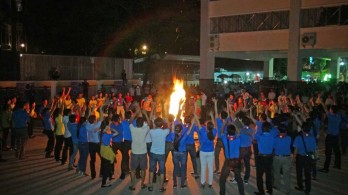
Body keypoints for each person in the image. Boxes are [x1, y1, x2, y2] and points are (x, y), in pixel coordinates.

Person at [219, 124, 245, 195]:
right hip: (236, 161)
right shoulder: (238, 138)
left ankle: (222, 193)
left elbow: (221, 132)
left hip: (228, 161)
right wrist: (234, 124)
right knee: (239, 179)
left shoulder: (225, 138)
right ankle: (242, 193)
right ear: (234, 131)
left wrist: (224, 124)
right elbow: (239, 132)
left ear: (227, 131)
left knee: (222, 179)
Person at [128, 109, 150, 191]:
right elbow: (149, 123)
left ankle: (133, 185)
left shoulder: (133, 129)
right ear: (143, 123)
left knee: (133, 170)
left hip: (134, 153)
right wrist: (145, 115)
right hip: (143, 153)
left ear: (136, 123)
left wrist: (135, 114)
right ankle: (142, 184)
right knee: (143, 169)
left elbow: (130, 122)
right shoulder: (145, 129)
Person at [293, 122, 317, 195]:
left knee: (299, 172)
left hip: (300, 157)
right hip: (309, 157)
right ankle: (308, 189)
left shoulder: (298, 138)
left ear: (302, 129)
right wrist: (315, 158)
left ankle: (300, 186)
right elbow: (314, 149)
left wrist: (294, 158)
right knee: (308, 174)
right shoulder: (312, 138)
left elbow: (296, 149)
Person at [319, 101, 341, 172]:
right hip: (336, 136)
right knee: (337, 151)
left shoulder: (330, 117)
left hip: (330, 137)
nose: (329, 110)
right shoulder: (338, 116)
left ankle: (326, 168)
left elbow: (325, 109)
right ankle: (338, 164)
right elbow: (335, 109)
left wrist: (322, 102)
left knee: (328, 153)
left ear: (331, 110)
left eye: (330, 109)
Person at [148, 117, 169, 192]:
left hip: (153, 152)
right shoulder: (165, 132)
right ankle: (161, 187)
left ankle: (150, 185)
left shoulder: (151, 131)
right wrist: (166, 121)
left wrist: (153, 122)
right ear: (162, 124)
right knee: (162, 171)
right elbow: (168, 127)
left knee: (151, 170)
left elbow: (152, 127)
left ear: (155, 124)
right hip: (161, 154)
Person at [195, 112, 216, 188]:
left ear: (206, 127)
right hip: (211, 152)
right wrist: (212, 116)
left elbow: (198, 123)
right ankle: (210, 183)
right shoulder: (213, 132)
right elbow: (214, 125)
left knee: (203, 168)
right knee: (210, 168)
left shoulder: (203, 132)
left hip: (203, 152)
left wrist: (195, 115)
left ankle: (203, 183)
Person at [172, 119, 195, 189]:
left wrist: (175, 121)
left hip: (175, 153)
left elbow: (173, 127)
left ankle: (175, 184)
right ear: (181, 131)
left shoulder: (173, 135)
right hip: (183, 154)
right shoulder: (184, 137)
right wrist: (193, 122)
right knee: (183, 168)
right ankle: (182, 184)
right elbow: (189, 130)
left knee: (175, 168)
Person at [254, 121, 275, 195]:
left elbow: (254, 136)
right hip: (269, 157)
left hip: (261, 157)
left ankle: (261, 192)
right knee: (268, 174)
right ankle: (270, 190)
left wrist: (258, 128)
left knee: (259, 176)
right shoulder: (272, 136)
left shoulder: (259, 136)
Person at [86, 105, 104, 179]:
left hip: (90, 144)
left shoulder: (88, 125)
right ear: (94, 121)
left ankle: (93, 174)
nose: (96, 119)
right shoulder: (96, 126)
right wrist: (100, 110)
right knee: (103, 158)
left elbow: (88, 119)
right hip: (96, 144)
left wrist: (92, 110)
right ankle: (101, 173)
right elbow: (102, 118)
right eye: (95, 119)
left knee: (92, 160)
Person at [273, 124, 292, 194]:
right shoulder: (289, 138)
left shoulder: (275, 139)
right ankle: (287, 190)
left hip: (277, 157)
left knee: (277, 173)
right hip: (286, 158)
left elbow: (274, 147)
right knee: (286, 175)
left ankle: (277, 185)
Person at [100, 121, 118, 188]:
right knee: (107, 168)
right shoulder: (108, 135)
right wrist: (113, 129)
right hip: (107, 153)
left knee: (107, 167)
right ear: (105, 130)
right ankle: (104, 183)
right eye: (108, 129)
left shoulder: (103, 134)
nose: (109, 130)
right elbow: (117, 133)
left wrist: (109, 126)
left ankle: (107, 179)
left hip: (104, 152)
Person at [110, 114, 127, 179]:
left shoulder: (112, 125)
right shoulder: (121, 125)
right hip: (119, 143)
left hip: (115, 143)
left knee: (111, 158)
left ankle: (111, 172)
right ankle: (123, 172)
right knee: (124, 157)